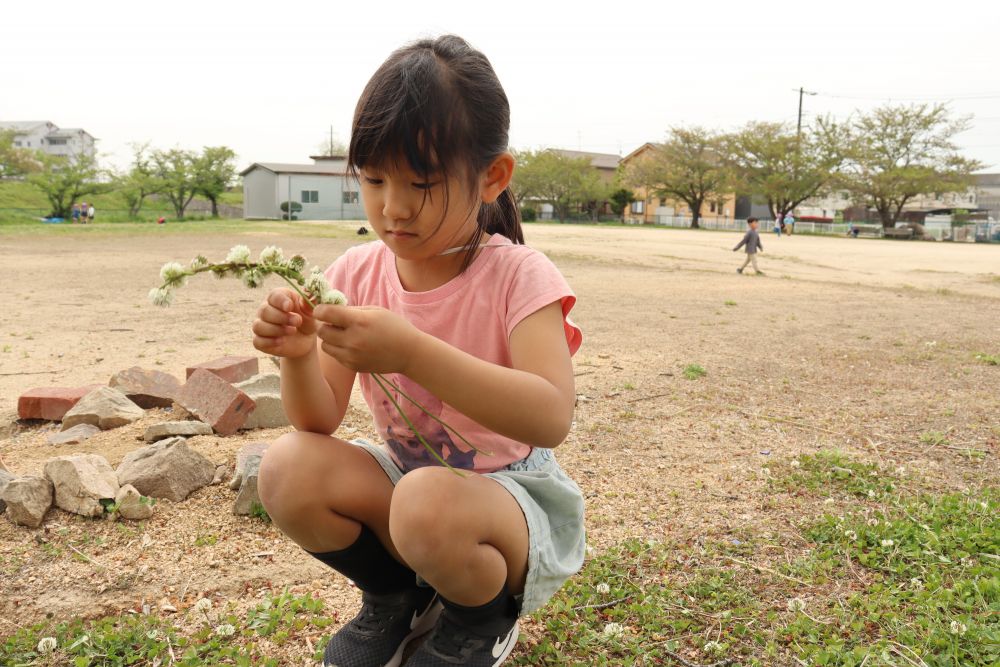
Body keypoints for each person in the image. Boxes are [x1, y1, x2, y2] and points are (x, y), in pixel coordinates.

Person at [252, 35, 585, 667]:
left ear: (492, 177)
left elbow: (551, 417)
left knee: (426, 501)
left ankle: (479, 618)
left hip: (507, 501)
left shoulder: (518, 276)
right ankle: (393, 595)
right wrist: (297, 355)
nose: (393, 207)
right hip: (412, 493)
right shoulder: (355, 271)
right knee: (288, 466)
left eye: (422, 182)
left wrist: (412, 351)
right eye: (374, 180)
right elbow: (319, 420)